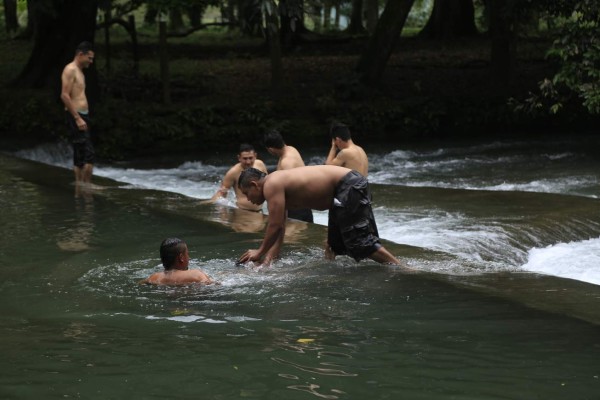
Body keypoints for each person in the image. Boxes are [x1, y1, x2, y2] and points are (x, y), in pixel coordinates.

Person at [237, 165, 403, 266]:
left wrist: (259, 252)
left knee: (359, 242)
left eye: (246, 193)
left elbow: (274, 225)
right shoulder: (275, 185)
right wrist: (269, 259)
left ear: (254, 185)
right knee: (335, 245)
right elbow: (280, 224)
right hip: (344, 190)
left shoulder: (271, 184)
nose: (247, 199)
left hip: (348, 185)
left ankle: (401, 268)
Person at [60, 41, 96, 184]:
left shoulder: (80, 71)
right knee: (88, 153)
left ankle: (80, 185)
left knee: (80, 153)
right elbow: (64, 95)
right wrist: (77, 118)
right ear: (81, 54)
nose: (91, 62)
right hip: (77, 115)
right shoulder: (70, 69)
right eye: (90, 58)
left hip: (83, 115)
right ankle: (86, 185)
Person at [263, 130, 313, 223]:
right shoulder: (291, 149)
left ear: (271, 149)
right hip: (304, 205)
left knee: (293, 237)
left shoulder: (287, 162)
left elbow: (289, 190)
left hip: (297, 209)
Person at [206, 143, 268, 212]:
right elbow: (222, 192)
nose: (248, 162)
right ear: (239, 158)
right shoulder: (233, 172)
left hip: (261, 210)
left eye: (250, 158)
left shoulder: (260, 164)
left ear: (255, 156)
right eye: (245, 158)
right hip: (242, 211)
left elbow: (268, 183)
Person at [142, 238, 213, 286]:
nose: (189, 257)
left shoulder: (154, 277)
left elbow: (140, 283)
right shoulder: (196, 275)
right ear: (181, 257)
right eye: (187, 254)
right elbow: (213, 285)